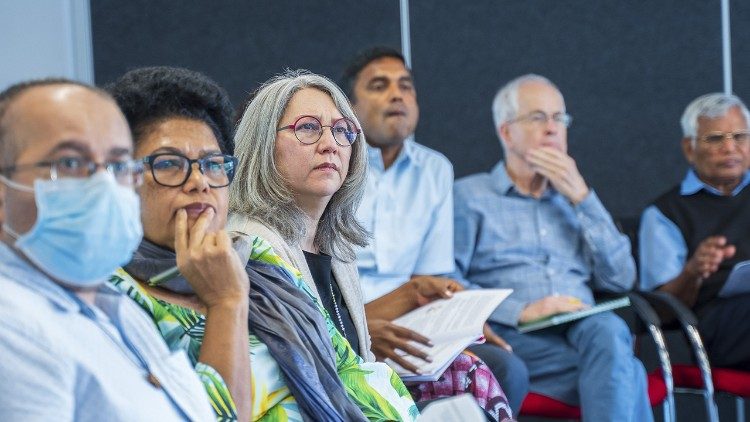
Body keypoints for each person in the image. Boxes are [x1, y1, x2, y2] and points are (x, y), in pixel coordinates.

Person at [108, 66, 417, 421]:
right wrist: (226, 302)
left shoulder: (254, 257)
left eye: (212, 164)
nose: (198, 182)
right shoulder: (114, 297)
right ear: (121, 178)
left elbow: (352, 371)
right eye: (169, 164)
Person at [228, 69, 513, 421]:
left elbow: (357, 367)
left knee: (474, 377)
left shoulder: (338, 246)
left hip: (355, 403)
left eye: (342, 130)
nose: (330, 143)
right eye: (307, 127)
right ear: (261, 143)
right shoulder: (250, 249)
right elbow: (302, 389)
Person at [0, 79, 214, 420]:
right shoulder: (12, 328)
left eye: (117, 166)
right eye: (70, 163)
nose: (103, 185)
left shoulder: (114, 307)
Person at [454, 74, 653, 421]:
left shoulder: (576, 200)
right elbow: (445, 284)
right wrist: (520, 310)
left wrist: (583, 198)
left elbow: (622, 279)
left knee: (608, 331)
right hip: (512, 337)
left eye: (559, 118)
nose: (552, 129)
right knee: (627, 370)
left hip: (586, 333)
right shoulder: (469, 197)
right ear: (506, 132)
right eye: (538, 117)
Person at [341, 46, 529, 412]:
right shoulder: (333, 164)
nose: (397, 94)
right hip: (344, 315)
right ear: (348, 106)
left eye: (406, 86)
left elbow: (430, 273)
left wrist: (463, 321)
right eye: (379, 85)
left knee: (506, 367)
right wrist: (356, 328)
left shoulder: (435, 169)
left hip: (412, 319)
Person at [639, 92, 750, 370]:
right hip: (717, 331)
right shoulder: (665, 214)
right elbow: (660, 311)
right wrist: (693, 272)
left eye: (740, 136)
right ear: (689, 148)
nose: (730, 147)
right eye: (715, 139)